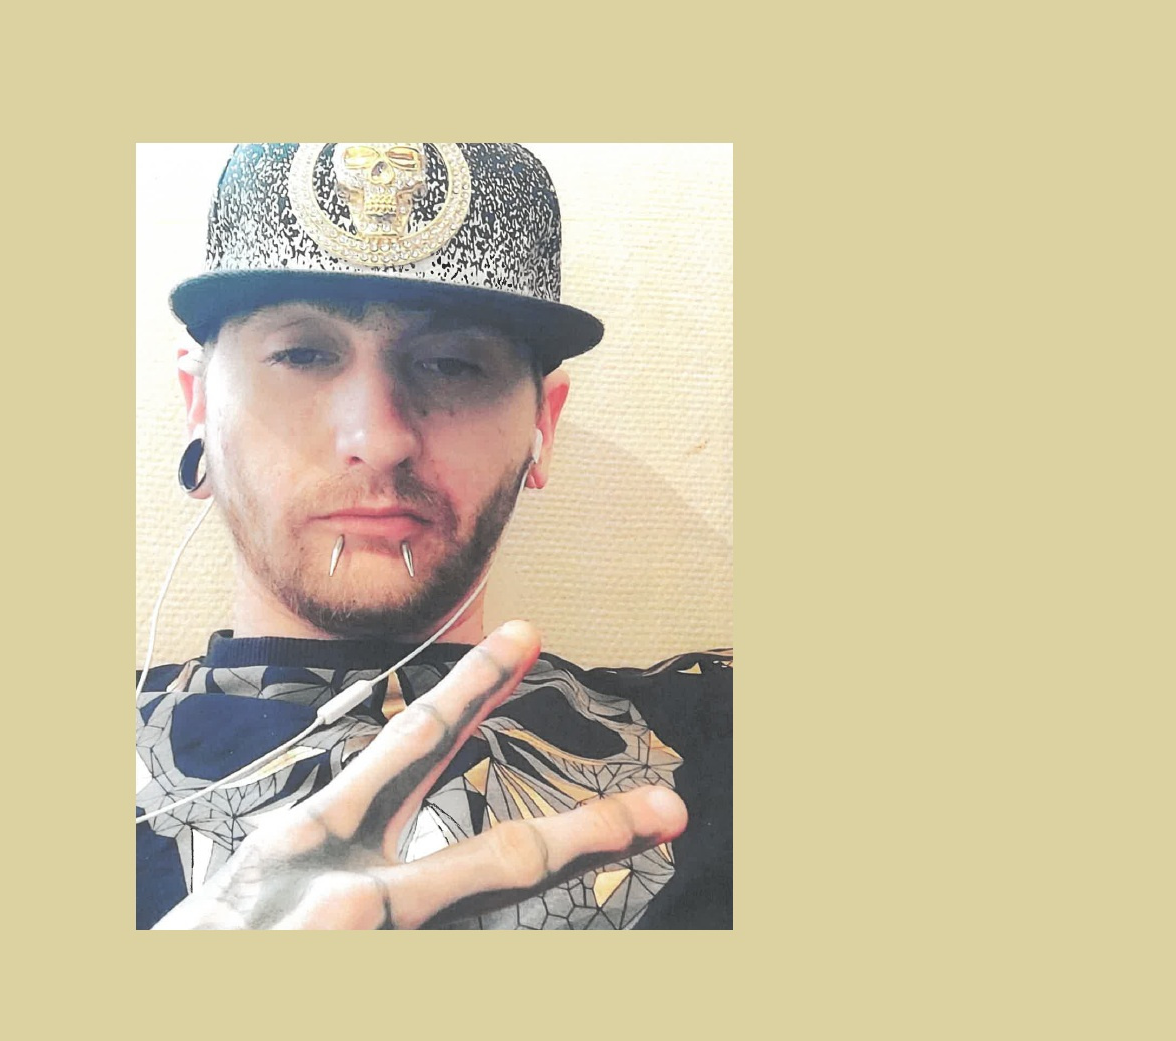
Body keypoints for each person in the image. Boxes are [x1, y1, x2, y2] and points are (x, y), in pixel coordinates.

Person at [134, 143, 731, 929]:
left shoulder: (722, 743)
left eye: (450, 364)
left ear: (543, 426)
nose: (379, 439)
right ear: (198, 405)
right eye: (302, 354)